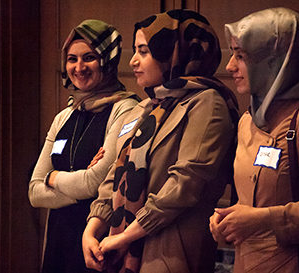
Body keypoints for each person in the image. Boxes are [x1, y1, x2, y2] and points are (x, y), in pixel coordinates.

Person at [82, 9, 239, 273]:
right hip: (123, 247)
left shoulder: (207, 102)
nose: (132, 61)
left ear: (173, 54)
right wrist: (92, 228)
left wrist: (124, 237)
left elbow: (184, 185)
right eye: (135, 51)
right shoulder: (147, 106)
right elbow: (115, 174)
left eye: (144, 51)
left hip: (170, 250)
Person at [209, 7, 299, 273]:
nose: (230, 66)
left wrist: (264, 220)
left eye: (241, 56)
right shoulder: (247, 120)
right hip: (246, 263)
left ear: (276, 60)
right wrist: (225, 220)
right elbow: (251, 201)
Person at [28, 19, 139, 273]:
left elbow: (97, 182)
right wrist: (79, 185)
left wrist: (53, 177)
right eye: (72, 59)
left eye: (89, 58)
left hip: (98, 242)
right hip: (58, 241)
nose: (79, 67)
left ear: (107, 61)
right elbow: (34, 192)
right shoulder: (64, 116)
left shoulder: (126, 109)